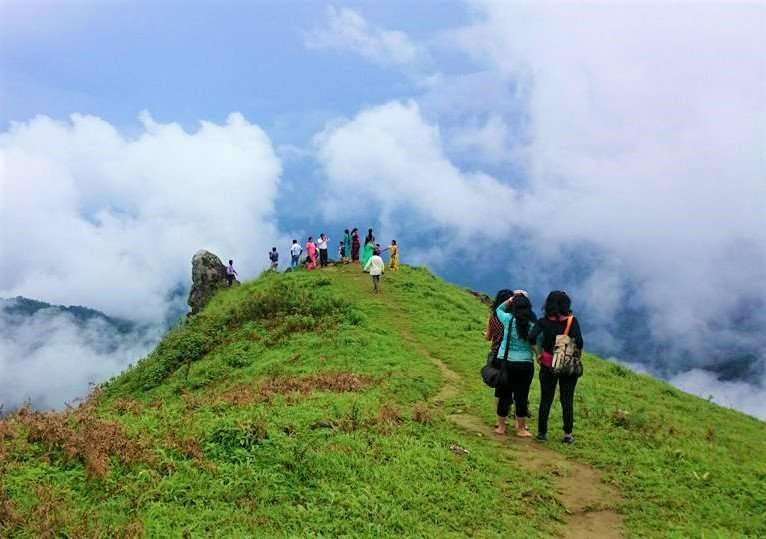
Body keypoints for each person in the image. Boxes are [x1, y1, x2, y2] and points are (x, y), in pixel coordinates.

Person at [529, 291, 584, 444]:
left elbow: (532, 337)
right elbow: (579, 342)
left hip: (547, 364)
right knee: (567, 399)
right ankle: (567, 434)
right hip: (567, 366)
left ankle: (542, 433)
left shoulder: (543, 321)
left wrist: (538, 354)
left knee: (546, 398)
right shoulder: (572, 321)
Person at [494, 294, 537, 437]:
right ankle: (521, 429)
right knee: (522, 396)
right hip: (525, 364)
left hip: (505, 362)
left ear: (513, 307)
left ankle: (501, 427)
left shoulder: (508, 320)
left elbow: (498, 310)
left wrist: (509, 300)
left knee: (504, 395)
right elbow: (537, 345)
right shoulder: (532, 326)